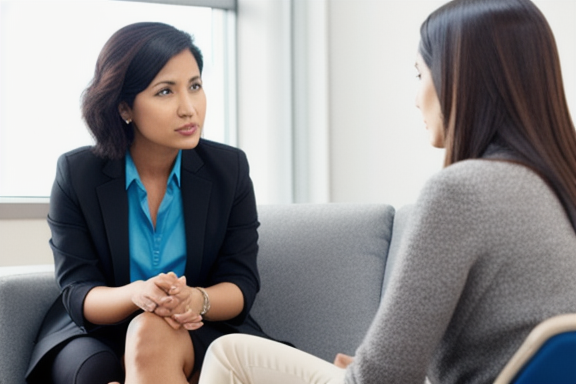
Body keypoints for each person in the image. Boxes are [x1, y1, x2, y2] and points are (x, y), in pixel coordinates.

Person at [197, 0, 576, 383]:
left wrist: (365, 370)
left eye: (419, 75)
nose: (416, 98)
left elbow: (382, 378)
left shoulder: (462, 193)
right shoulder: (558, 186)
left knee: (230, 354)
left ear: (459, 78)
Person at [25, 22, 271, 384]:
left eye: (195, 86)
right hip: (99, 331)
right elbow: (78, 291)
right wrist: (138, 294)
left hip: (197, 324)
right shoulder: (78, 173)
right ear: (125, 106)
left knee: (174, 345)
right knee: (94, 372)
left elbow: (241, 283)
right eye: (165, 92)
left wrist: (194, 299)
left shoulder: (229, 169)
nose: (189, 109)